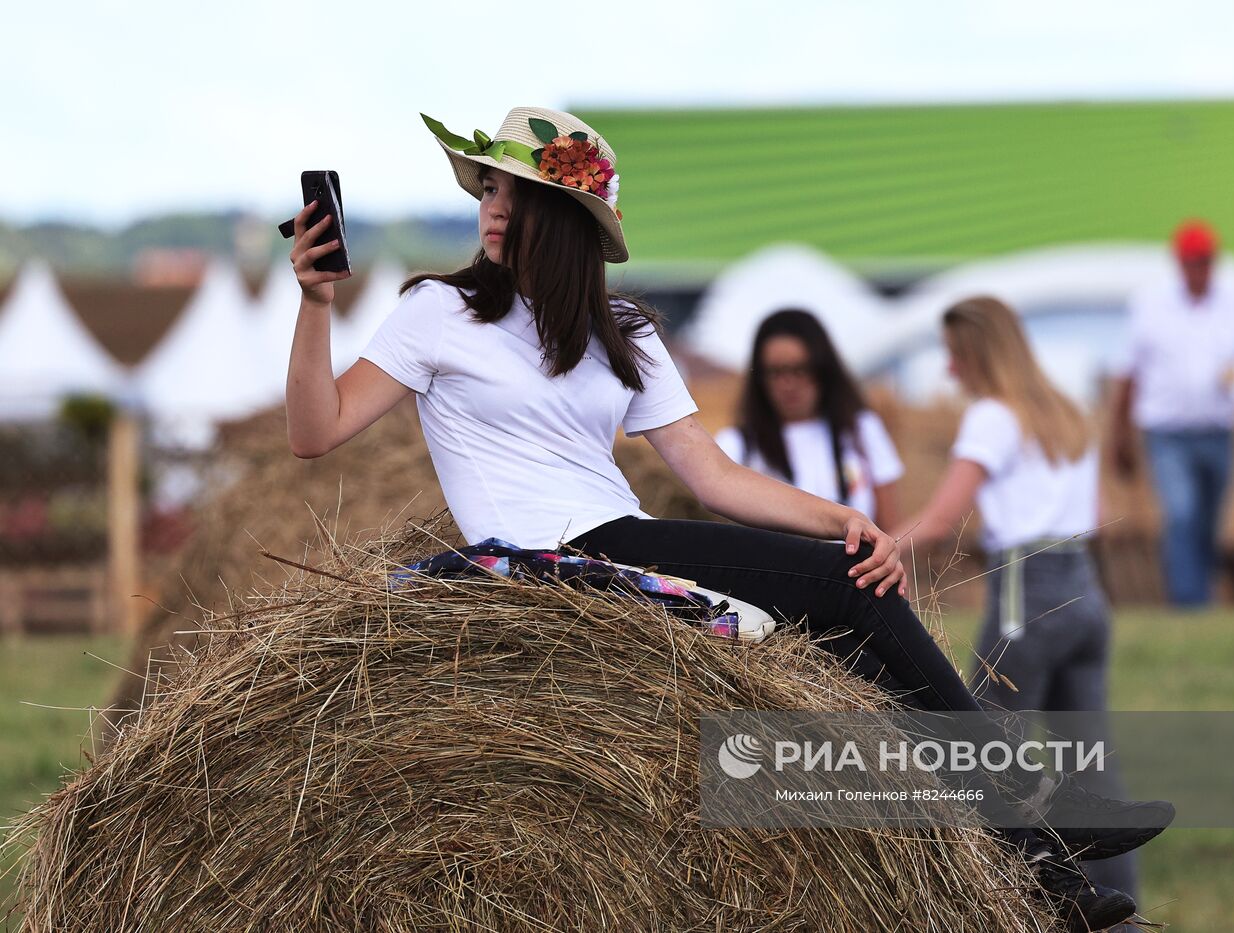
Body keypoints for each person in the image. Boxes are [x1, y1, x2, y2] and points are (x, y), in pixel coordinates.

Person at [285, 106, 1163, 931]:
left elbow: (711, 474)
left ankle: (1031, 871)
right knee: (852, 597)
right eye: (487, 190)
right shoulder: (438, 313)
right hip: (544, 559)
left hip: (614, 541)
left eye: (514, 193)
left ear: (564, 218)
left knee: (850, 631)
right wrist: (315, 307)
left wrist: (839, 516)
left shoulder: (620, 330)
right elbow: (313, 431)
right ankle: (1040, 828)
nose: (493, 208)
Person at [893, 295, 1142, 910]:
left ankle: (997, 905)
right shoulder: (1067, 411)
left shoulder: (992, 417)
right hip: (1086, 592)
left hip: (1026, 599)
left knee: (979, 755)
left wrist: (874, 546)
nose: (950, 370)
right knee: (1091, 771)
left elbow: (943, 519)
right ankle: (1121, 914)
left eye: (954, 354)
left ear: (978, 350)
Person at [1110, 220, 1234, 607]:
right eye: (1190, 262)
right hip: (1165, 432)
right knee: (1182, 512)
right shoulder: (1151, 306)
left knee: (1207, 522)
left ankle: (1198, 596)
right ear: (1178, 263)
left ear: (1214, 262)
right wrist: (1118, 435)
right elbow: (1128, 374)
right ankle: (1188, 603)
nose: (1197, 270)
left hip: (1218, 432)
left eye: (1203, 261)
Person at [716, 309, 903, 527]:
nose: (788, 384)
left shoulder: (861, 430)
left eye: (800, 369)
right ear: (759, 378)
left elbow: (891, 533)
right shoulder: (735, 446)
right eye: (775, 372)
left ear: (824, 370)